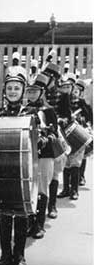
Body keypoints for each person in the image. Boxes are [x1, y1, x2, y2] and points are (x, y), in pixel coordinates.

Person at [0, 73, 29, 265]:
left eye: (16, 88)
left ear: (23, 91)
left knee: (22, 210)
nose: (13, 92)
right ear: (5, 91)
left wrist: (40, 139)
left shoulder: (31, 112)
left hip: (23, 168)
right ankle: (5, 255)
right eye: (9, 88)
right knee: (5, 211)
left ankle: (20, 255)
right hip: (3, 168)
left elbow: (43, 137)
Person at [21, 77, 57, 239]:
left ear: (41, 92)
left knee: (42, 188)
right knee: (28, 189)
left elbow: (54, 133)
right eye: (29, 91)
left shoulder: (48, 110)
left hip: (45, 155)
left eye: (35, 91)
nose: (32, 94)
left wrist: (44, 139)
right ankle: (30, 222)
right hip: (27, 154)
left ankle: (40, 225)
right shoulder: (23, 109)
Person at [41, 62, 70, 219]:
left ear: (54, 78)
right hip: (41, 135)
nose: (46, 79)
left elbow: (68, 115)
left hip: (56, 136)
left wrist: (61, 120)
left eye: (49, 77)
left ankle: (52, 206)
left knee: (54, 174)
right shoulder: (40, 93)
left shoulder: (63, 95)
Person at [57, 73, 85, 201]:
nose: (68, 90)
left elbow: (89, 117)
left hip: (76, 134)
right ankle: (66, 190)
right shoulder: (61, 100)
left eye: (70, 87)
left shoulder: (82, 103)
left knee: (75, 163)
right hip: (64, 133)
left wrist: (81, 119)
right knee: (66, 162)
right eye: (65, 87)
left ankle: (74, 190)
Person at [72, 79, 92, 186]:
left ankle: (81, 176)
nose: (75, 92)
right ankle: (72, 178)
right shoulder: (68, 102)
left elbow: (89, 117)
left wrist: (87, 125)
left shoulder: (84, 103)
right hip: (71, 131)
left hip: (82, 130)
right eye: (73, 90)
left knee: (82, 155)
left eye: (77, 91)